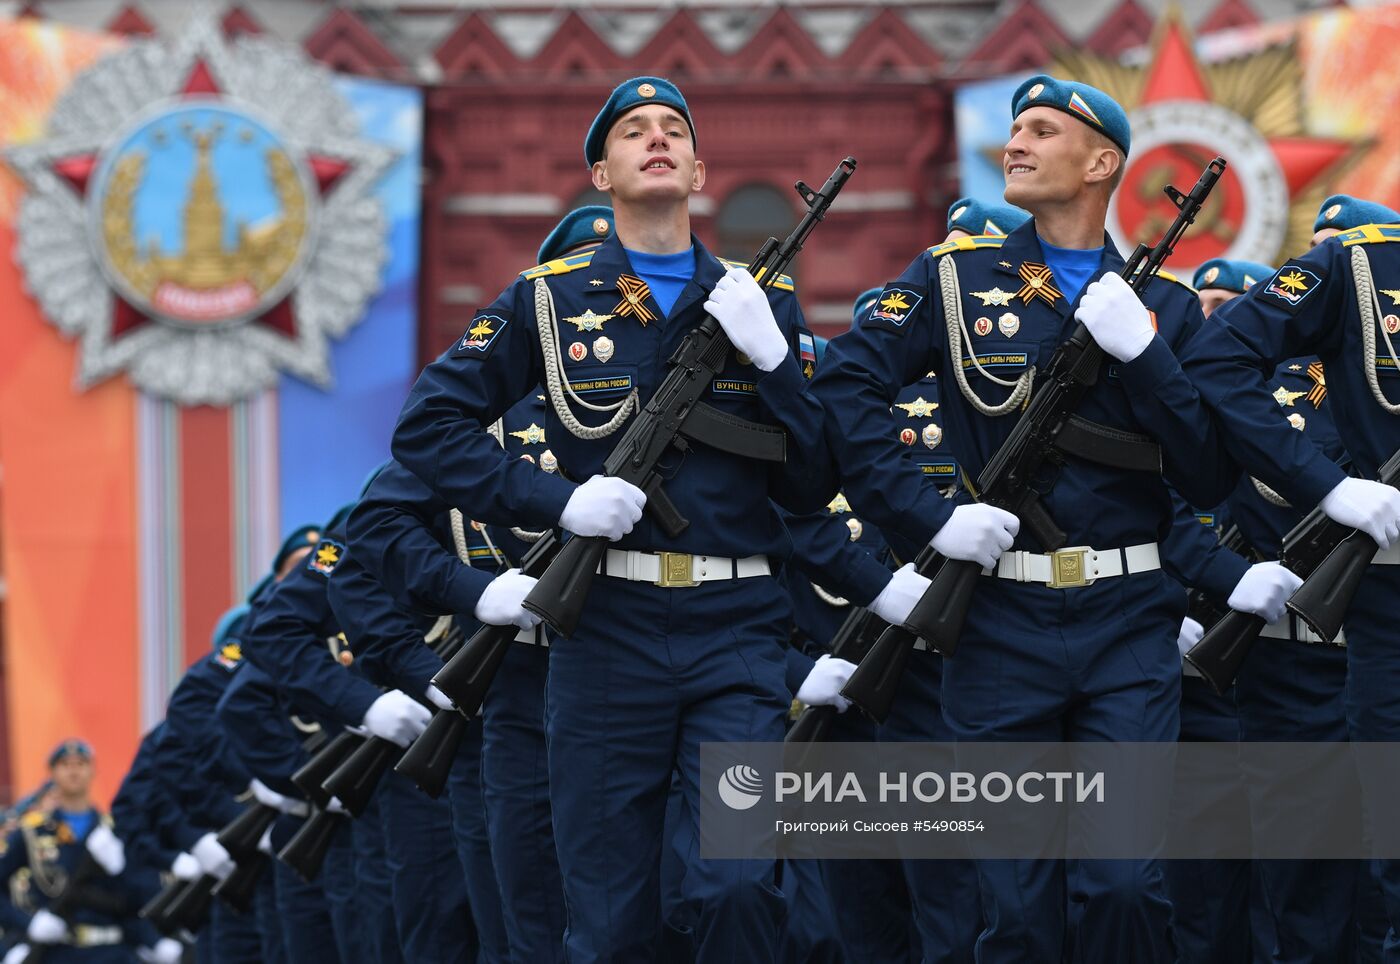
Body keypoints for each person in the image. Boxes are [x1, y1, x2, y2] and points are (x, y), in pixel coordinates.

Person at [388, 75, 834, 961]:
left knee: (740, 885)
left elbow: (816, 480)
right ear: (602, 173)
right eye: (634, 131)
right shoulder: (547, 300)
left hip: (736, 637)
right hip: (606, 638)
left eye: (675, 129)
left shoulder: (758, 303)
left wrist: (777, 358)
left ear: (701, 170)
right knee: (608, 915)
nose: (657, 139)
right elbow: (426, 428)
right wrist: (559, 502)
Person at [810, 74, 1244, 961]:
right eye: (1014, 128)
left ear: (1101, 162)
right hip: (1000, 624)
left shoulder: (1161, 306)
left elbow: (1209, 471)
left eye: (1042, 130)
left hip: (1129, 624)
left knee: (1126, 885)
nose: (1016, 142)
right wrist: (929, 519)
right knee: (1010, 902)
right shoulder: (953, 278)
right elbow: (847, 386)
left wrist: (1148, 357)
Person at [1178, 196, 1400, 960]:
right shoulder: (1270, 392)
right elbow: (1181, 487)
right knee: (1302, 884)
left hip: (1361, 639)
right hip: (1292, 659)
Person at [0, 741, 178, 963]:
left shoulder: (115, 831)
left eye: (81, 764)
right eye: (65, 765)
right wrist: (28, 924)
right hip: (59, 952)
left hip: (113, 952)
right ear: (52, 773)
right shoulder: (32, 834)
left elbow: (139, 898)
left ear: (93, 770)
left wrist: (154, 942)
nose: (74, 770)